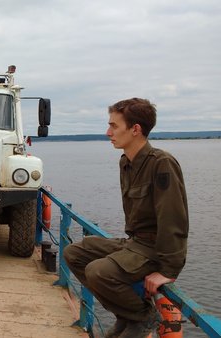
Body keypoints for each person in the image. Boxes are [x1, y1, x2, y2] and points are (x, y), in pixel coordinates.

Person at [63, 98, 189, 338]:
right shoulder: (127, 162)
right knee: (75, 253)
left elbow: (174, 218)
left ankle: (142, 317)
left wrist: (169, 269)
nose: (108, 132)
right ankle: (127, 314)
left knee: (100, 272)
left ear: (135, 129)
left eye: (114, 126)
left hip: (153, 249)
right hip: (135, 243)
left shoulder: (161, 163)